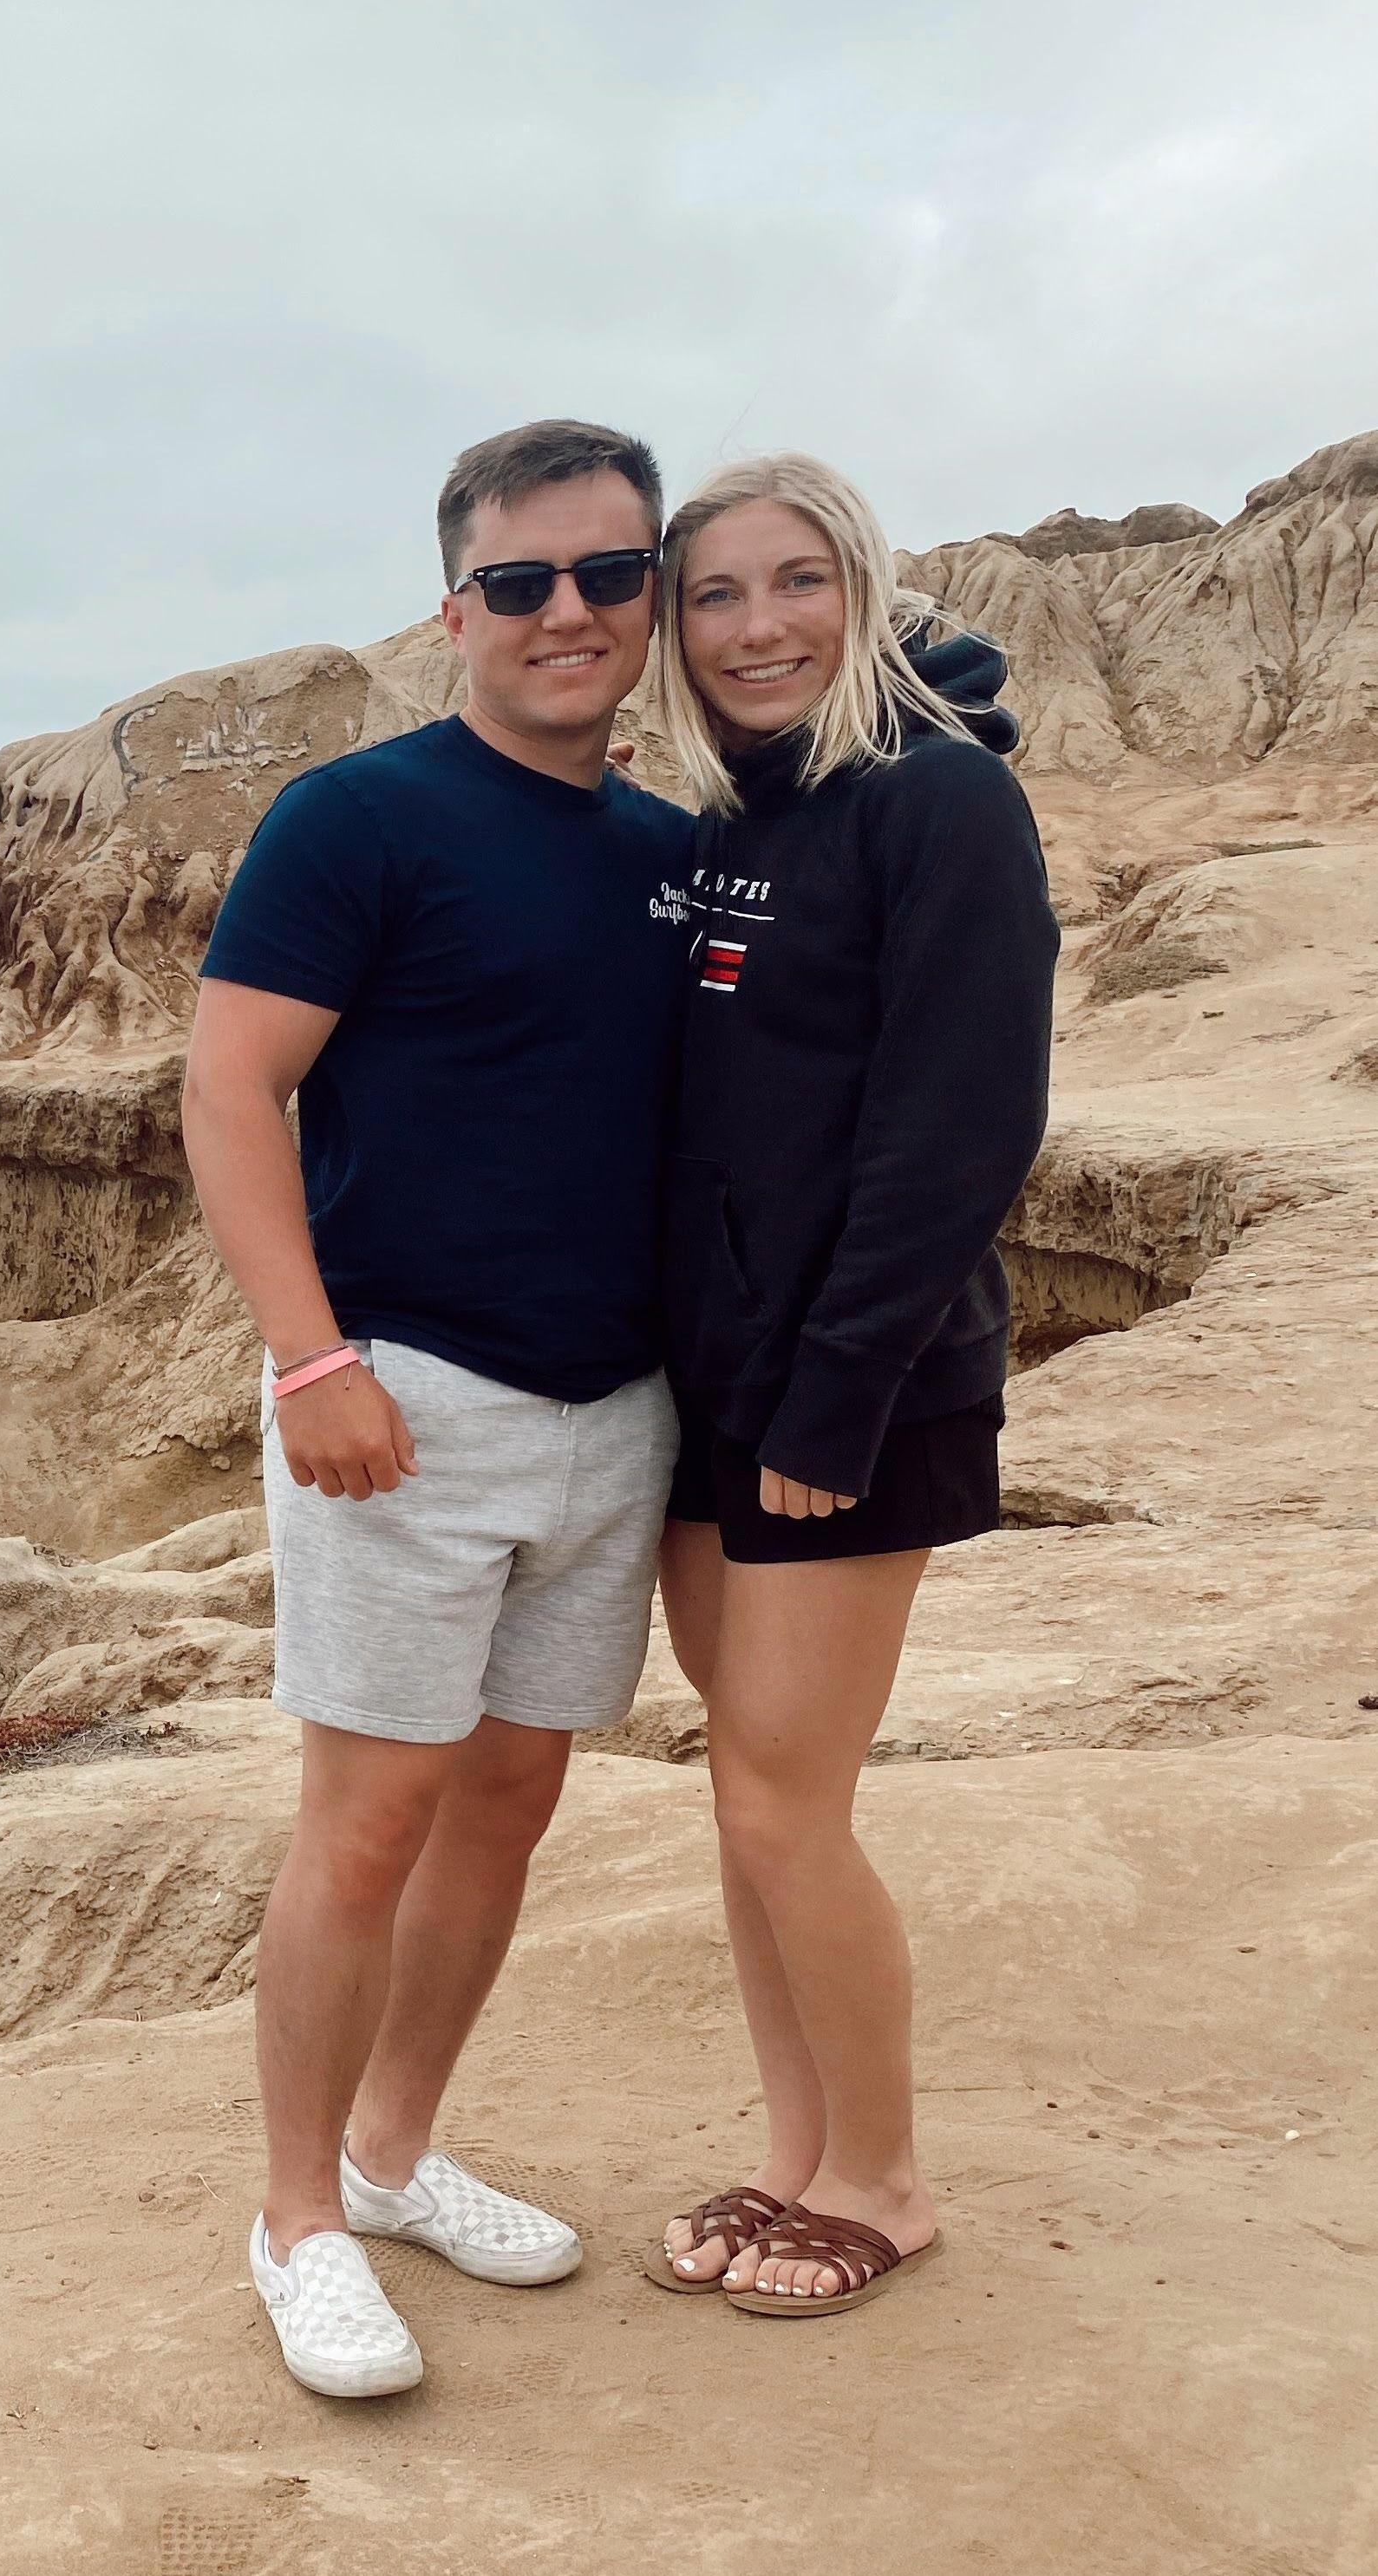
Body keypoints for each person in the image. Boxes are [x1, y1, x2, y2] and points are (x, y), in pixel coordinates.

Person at [182, 419, 696, 2397]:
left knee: (512, 1795)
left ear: (649, 595)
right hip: (404, 1396)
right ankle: (296, 2219)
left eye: (611, 574)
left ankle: (393, 2161)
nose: (571, 611)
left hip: (615, 1407)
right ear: (454, 606)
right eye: (522, 580)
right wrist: (311, 1359)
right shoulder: (357, 817)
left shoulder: (670, 856)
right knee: (370, 1813)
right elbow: (232, 1089)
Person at [642, 453, 1058, 2317]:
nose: (758, 627)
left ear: (864, 590)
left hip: (852, 1396)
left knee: (785, 1801)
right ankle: (795, 2153)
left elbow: (958, 1129)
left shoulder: (940, 799)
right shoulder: (732, 815)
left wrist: (831, 1398)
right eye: (715, 594)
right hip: (713, 1381)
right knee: (745, 1796)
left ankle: (882, 2178)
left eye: (797, 581)